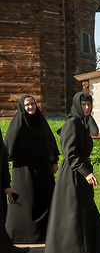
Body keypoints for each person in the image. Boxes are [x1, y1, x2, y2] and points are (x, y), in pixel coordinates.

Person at [44, 92, 100, 253]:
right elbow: (71, 154)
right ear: (77, 105)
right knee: (73, 217)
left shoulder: (83, 122)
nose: (87, 107)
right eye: (83, 104)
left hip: (80, 177)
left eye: (89, 104)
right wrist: (86, 172)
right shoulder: (72, 124)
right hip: (72, 177)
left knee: (83, 214)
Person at [4, 95, 59, 244]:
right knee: (25, 201)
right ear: (22, 106)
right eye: (27, 105)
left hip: (43, 169)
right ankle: (20, 235)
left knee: (44, 199)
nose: (30, 107)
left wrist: (54, 161)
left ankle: (45, 233)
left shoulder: (41, 122)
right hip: (24, 169)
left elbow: (51, 142)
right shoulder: (17, 124)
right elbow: (8, 146)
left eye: (33, 104)